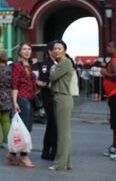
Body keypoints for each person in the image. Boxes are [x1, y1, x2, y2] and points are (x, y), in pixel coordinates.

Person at [9, 42, 37, 168]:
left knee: (26, 128)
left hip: (30, 98)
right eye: (24, 49)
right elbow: (14, 85)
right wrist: (15, 102)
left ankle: (12, 155)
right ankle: (24, 156)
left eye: (29, 49)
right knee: (24, 129)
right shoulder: (17, 65)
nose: (27, 51)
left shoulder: (29, 65)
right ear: (19, 52)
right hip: (22, 99)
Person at [49, 40, 74, 171]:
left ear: (65, 50)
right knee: (64, 133)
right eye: (55, 49)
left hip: (62, 97)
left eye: (59, 48)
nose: (56, 50)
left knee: (62, 134)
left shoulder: (64, 63)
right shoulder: (62, 63)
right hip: (61, 97)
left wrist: (52, 67)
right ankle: (66, 162)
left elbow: (53, 76)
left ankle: (60, 163)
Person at [37, 41, 57, 161]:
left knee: (51, 124)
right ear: (50, 51)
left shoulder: (57, 62)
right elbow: (44, 79)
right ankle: (52, 151)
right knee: (54, 123)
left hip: (53, 96)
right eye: (56, 49)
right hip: (49, 96)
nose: (58, 51)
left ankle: (47, 151)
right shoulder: (46, 64)